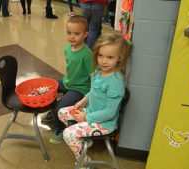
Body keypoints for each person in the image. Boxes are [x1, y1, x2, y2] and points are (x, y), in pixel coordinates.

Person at [58, 31, 130, 165]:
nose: (103, 61)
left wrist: (85, 118)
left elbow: (110, 113)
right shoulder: (98, 70)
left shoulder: (115, 81)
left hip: (104, 123)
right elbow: (94, 91)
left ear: (119, 58)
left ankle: (84, 162)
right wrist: (83, 101)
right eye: (100, 55)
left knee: (68, 134)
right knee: (62, 112)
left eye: (110, 57)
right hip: (90, 111)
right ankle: (86, 139)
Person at [42, 15, 93, 144]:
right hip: (68, 81)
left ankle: (59, 129)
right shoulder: (67, 48)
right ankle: (53, 113)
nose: (72, 36)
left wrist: (88, 96)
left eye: (77, 33)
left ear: (85, 34)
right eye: (69, 33)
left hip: (80, 88)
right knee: (48, 89)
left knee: (60, 106)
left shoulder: (87, 55)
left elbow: (94, 77)